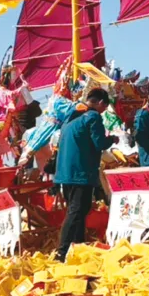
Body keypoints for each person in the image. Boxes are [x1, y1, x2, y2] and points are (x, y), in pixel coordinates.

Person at [55, 88, 117, 260]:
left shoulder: (70, 118)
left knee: (78, 210)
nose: (103, 111)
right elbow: (99, 143)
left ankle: (78, 245)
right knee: (76, 211)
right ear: (100, 103)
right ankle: (62, 251)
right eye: (104, 107)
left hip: (65, 173)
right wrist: (112, 139)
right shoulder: (93, 117)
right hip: (80, 173)